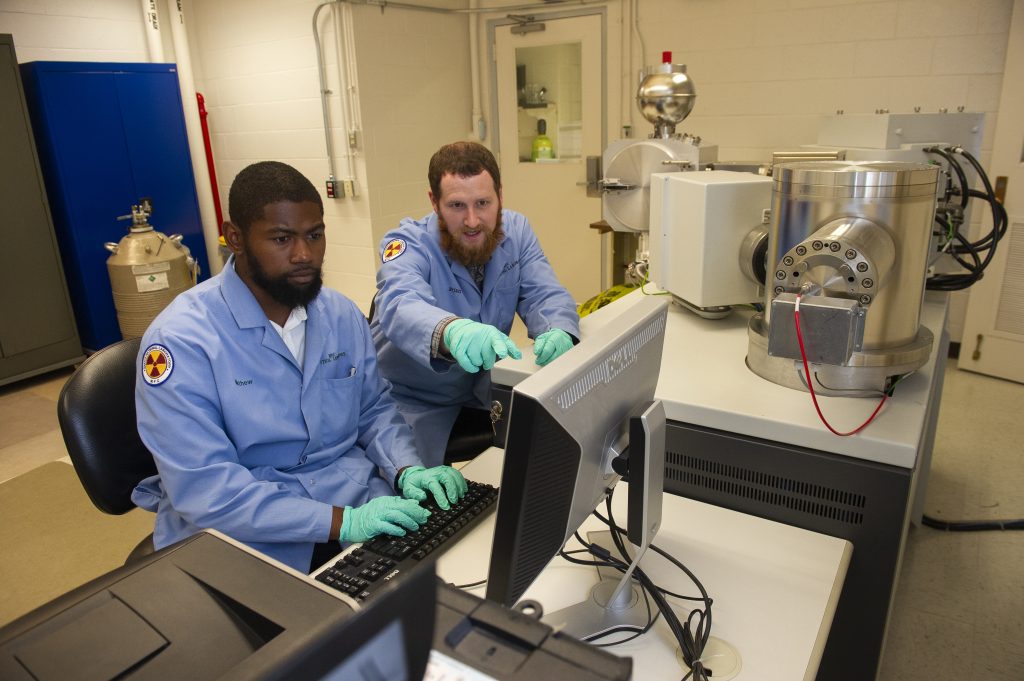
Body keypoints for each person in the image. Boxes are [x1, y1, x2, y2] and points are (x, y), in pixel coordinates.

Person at [132, 161, 466, 573]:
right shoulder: (182, 342)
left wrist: (407, 468)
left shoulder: (340, 315)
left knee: (455, 571)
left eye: (314, 235)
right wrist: (342, 522)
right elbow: (208, 491)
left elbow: (374, 410)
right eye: (281, 238)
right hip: (243, 533)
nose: (304, 254)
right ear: (235, 237)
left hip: (352, 497)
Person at [371, 141, 580, 466]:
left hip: (481, 390)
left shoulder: (517, 231)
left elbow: (544, 292)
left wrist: (559, 330)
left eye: (483, 203)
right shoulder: (408, 243)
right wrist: (451, 332)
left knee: (538, 459)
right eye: (456, 206)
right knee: (421, 501)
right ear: (434, 202)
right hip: (411, 400)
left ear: (500, 195)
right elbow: (400, 303)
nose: (472, 220)